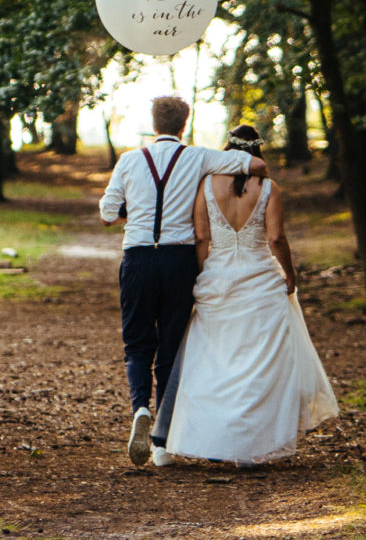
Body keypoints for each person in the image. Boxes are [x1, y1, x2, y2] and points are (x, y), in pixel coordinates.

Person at [151, 124, 338, 465]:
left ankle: (214, 438)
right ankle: (248, 448)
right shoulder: (268, 188)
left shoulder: (207, 185)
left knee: (215, 362)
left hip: (218, 279)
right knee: (257, 365)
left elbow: (202, 237)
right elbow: (276, 238)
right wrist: (290, 276)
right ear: (259, 152)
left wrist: (202, 275)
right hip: (259, 280)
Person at [99, 96, 267, 467]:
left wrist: (136, 211)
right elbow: (255, 163)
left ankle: (140, 407)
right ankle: (161, 441)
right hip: (179, 260)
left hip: (139, 258)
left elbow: (108, 213)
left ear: (153, 123)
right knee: (172, 347)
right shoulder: (199, 156)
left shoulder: (129, 160)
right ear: (184, 124)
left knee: (138, 343)